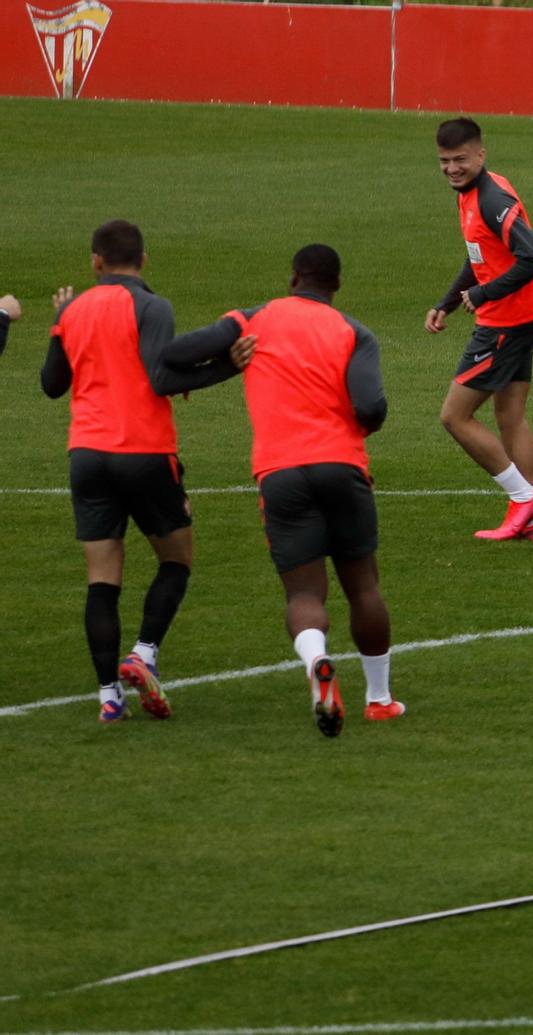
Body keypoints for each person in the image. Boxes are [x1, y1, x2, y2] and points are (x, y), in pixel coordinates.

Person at [159, 245, 399, 737]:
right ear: (336, 285)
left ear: (293, 278)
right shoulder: (355, 332)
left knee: (305, 592)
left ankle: (317, 663)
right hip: (342, 465)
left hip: (281, 474)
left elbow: (172, 355)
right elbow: (371, 406)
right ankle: (379, 699)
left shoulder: (254, 319)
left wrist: (229, 361)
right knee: (364, 586)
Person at [41, 220, 231, 724]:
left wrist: (61, 327)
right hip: (144, 452)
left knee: (102, 580)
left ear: (95, 261)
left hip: (87, 454)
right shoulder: (153, 306)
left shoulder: (73, 308)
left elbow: (51, 385)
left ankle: (108, 696)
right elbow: (162, 376)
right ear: (144, 260)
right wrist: (227, 366)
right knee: (177, 559)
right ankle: (143, 654)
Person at [426, 117, 533, 542]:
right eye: (444, 161)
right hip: (521, 316)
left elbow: (532, 258)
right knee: (510, 416)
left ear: (481, 154)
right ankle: (528, 518)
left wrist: (484, 294)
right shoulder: (469, 193)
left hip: (506, 323)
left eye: (460, 159)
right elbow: (479, 255)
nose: (452, 168)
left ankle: (524, 498)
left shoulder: (492, 197)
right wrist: (447, 303)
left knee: (455, 416)